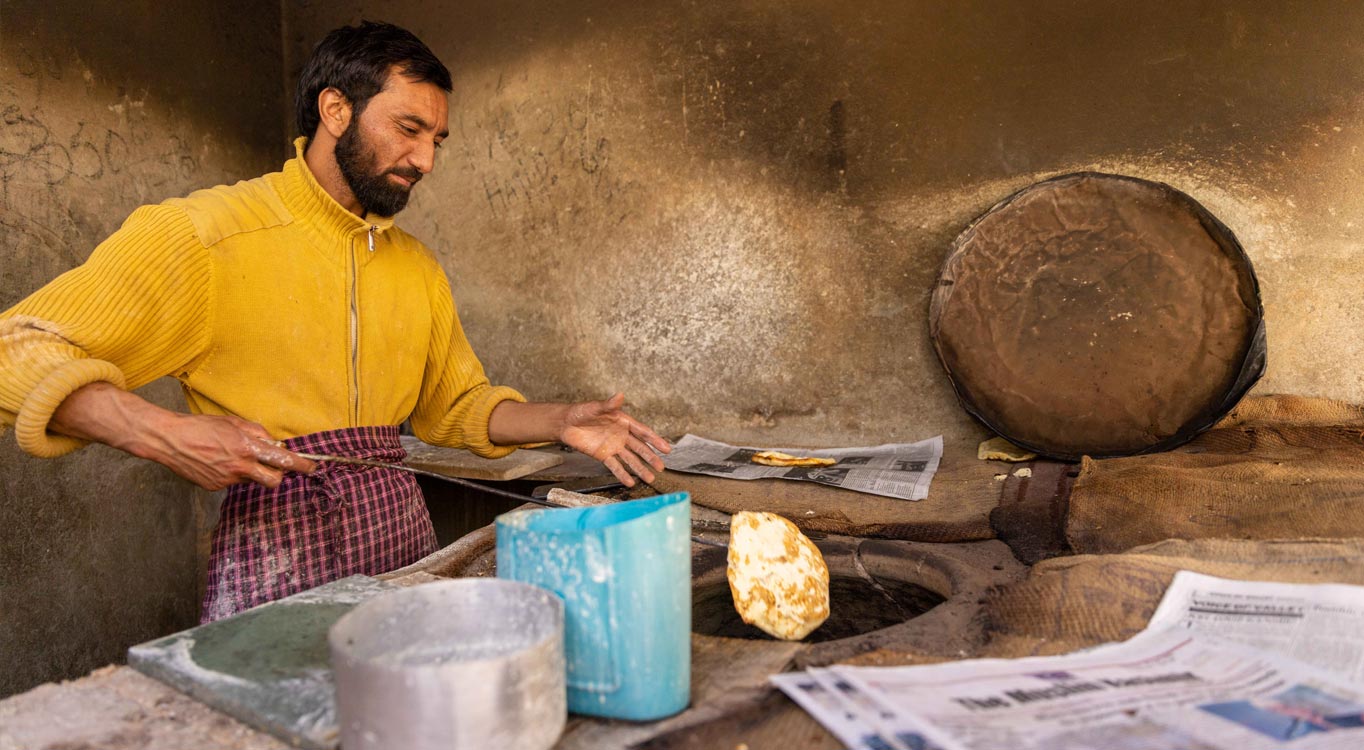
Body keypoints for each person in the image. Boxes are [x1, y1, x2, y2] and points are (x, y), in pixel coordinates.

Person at [0, 21, 670, 621]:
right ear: (336, 109)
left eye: (436, 140)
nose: (426, 160)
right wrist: (161, 432)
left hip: (402, 537)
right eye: (408, 129)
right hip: (277, 547)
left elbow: (453, 407)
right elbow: (13, 350)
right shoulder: (206, 234)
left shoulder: (417, 267)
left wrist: (561, 420)